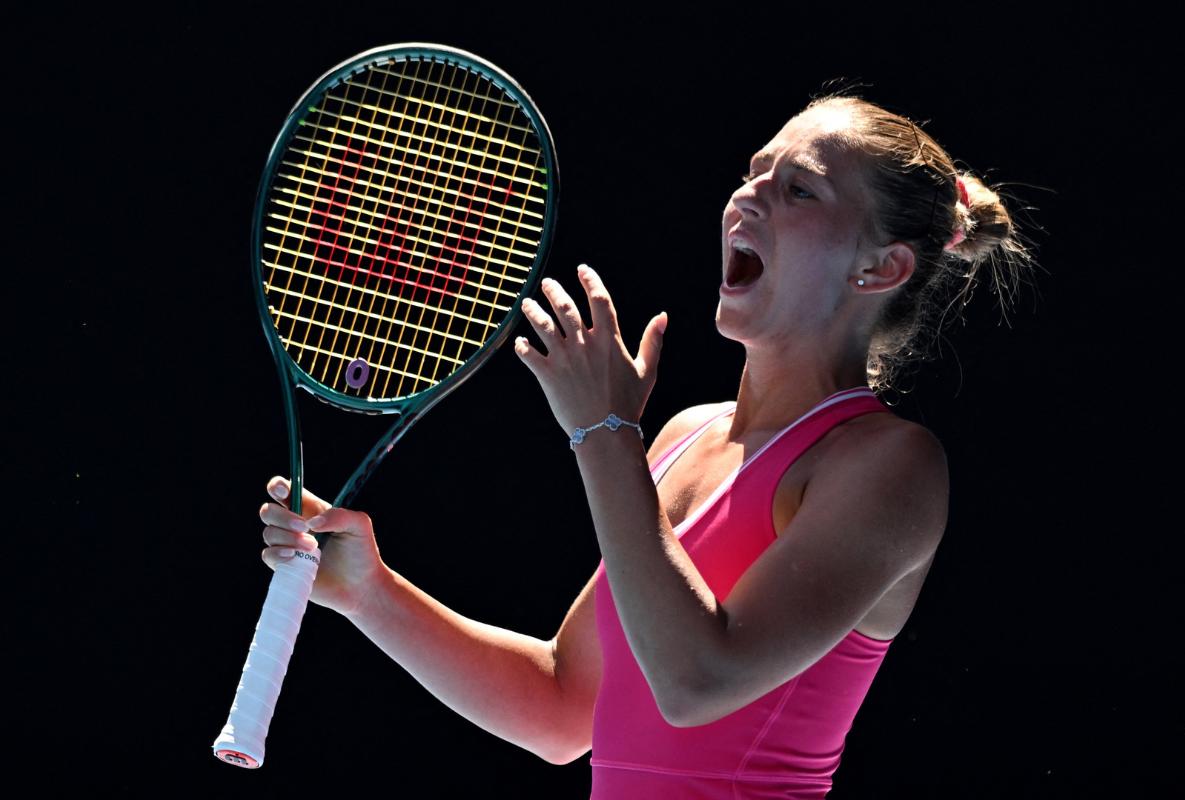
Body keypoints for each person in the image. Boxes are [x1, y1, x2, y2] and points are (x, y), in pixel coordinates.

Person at [258, 93, 1033, 798]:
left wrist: (602, 434)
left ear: (881, 267)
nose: (747, 195)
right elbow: (563, 708)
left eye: (798, 189)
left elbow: (697, 682)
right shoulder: (681, 438)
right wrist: (370, 591)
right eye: (753, 172)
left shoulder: (890, 464)